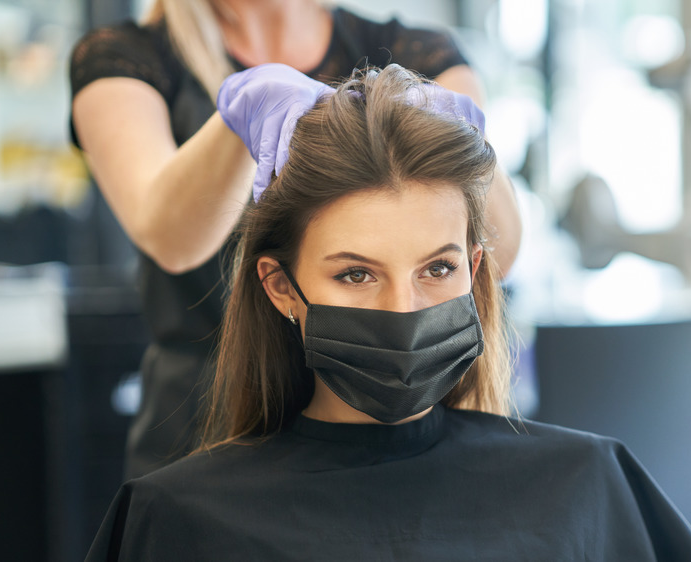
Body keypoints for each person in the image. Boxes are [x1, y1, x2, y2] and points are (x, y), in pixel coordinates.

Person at [84, 64, 691, 561]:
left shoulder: (583, 484)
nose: (402, 309)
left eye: (437, 269)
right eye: (356, 274)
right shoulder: (180, 518)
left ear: (473, 270)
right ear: (280, 287)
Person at [69, 0, 521, 478]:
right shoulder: (125, 58)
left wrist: (468, 145)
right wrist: (237, 122)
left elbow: (499, 251)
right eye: (355, 272)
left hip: (410, 413)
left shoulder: (419, 53)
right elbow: (168, 239)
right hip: (210, 419)